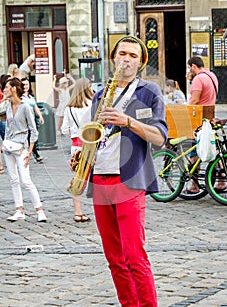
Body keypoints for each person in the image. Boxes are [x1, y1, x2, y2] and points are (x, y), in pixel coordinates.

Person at [86, 35, 168, 306]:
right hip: (99, 179)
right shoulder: (100, 94)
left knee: (134, 256)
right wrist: (82, 156)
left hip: (129, 180)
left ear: (141, 62)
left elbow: (159, 137)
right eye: (123, 54)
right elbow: (93, 138)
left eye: (134, 56)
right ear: (113, 58)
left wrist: (128, 121)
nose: (127, 59)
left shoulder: (149, 92)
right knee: (114, 260)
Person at [2, 77, 47, 222]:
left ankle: (39, 211)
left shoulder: (25, 106)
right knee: (13, 180)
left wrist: (30, 151)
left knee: (26, 180)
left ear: (14, 89)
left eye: (6, 88)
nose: (4, 90)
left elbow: (33, 131)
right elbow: (8, 126)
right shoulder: (8, 106)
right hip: (9, 147)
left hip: (22, 148)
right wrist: (5, 143)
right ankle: (19, 210)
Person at [186, 56, 223, 193]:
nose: (189, 70)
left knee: (194, 152)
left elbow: (194, 100)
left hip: (199, 119)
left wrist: (184, 113)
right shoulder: (211, 75)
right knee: (212, 148)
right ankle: (220, 181)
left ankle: (194, 186)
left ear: (193, 66)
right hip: (210, 116)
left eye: (190, 67)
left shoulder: (198, 79)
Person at [61, 78, 94, 223]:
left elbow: (64, 130)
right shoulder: (93, 105)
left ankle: (78, 212)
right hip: (92, 145)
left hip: (76, 146)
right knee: (98, 178)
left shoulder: (69, 108)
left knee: (78, 180)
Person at [21, 77, 45, 163]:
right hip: (24, 120)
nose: (25, 86)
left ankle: (32, 153)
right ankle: (35, 154)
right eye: (23, 85)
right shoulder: (20, 97)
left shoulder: (30, 96)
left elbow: (35, 107)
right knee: (29, 137)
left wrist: (40, 116)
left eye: (27, 84)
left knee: (32, 137)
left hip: (32, 119)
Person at [0, 74, 11, 174]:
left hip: (5, 118)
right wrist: (4, 98)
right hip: (2, 118)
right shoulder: (2, 91)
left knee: (6, 141)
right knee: (6, 141)